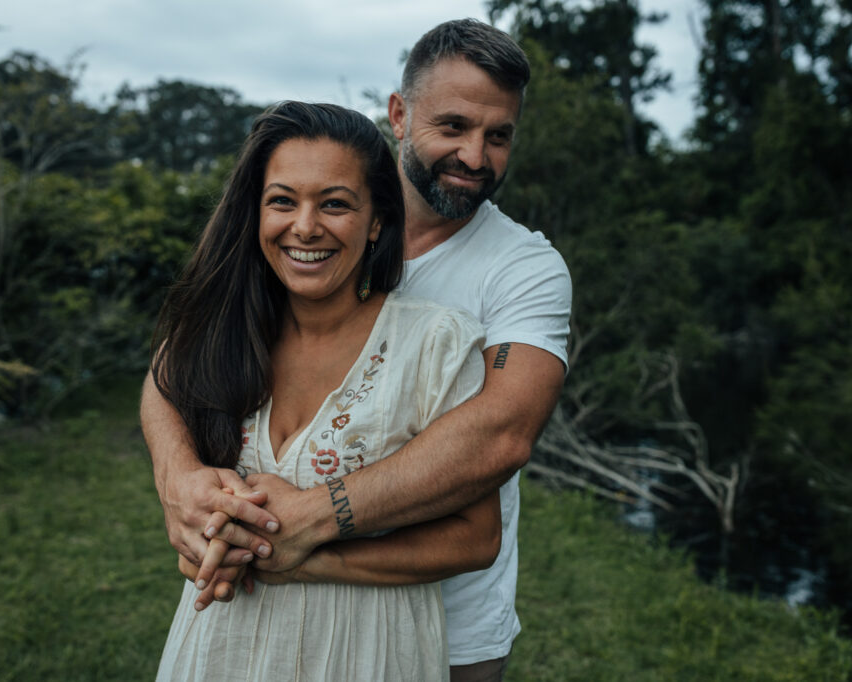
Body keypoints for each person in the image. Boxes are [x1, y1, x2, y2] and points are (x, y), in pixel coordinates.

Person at [141, 19, 572, 681]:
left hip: (440, 626)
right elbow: (173, 369)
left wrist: (307, 525)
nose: (476, 157)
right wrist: (181, 485)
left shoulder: (521, 270)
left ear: (373, 225)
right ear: (400, 114)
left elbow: (502, 435)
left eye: (498, 136)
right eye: (453, 127)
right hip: (233, 628)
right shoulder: (295, 253)